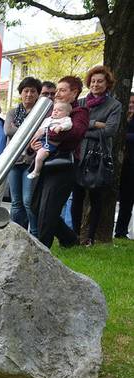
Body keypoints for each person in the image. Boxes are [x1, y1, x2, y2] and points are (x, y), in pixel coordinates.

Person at [30, 76, 89, 248]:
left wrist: (46, 134)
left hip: (63, 166)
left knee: (47, 211)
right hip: (45, 163)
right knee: (35, 207)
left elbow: (75, 133)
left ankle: (42, 250)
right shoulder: (53, 110)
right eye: (57, 91)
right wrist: (34, 145)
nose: (57, 94)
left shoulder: (80, 112)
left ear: (74, 92)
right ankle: (69, 238)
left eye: (63, 90)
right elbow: (36, 133)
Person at [71, 65, 123, 246]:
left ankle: (90, 238)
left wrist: (85, 126)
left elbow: (110, 130)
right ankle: (75, 235)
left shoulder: (114, 105)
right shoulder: (81, 102)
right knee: (76, 197)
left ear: (107, 83)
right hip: (79, 153)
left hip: (97, 157)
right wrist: (95, 123)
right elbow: (73, 127)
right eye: (93, 81)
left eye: (100, 81)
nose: (95, 84)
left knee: (95, 198)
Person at [4, 77, 41, 235]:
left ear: (38, 94)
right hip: (14, 162)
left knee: (28, 201)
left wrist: (18, 129)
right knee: (16, 202)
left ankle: (34, 234)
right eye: (26, 91)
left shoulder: (42, 113)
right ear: (21, 93)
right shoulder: (13, 112)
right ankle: (16, 233)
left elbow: (41, 131)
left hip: (31, 162)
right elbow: (8, 131)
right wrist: (30, 130)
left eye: (33, 91)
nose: (29, 94)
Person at [28, 102, 73, 179]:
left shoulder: (65, 119)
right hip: (41, 139)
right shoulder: (47, 119)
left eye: (59, 110)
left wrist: (61, 127)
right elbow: (40, 129)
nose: (55, 111)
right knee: (35, 149)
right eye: (54, 110)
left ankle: (36, 171)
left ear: (67, 113)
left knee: (39, 156)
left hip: (50, 143)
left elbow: (69, 125)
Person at [114, 93, 134, 238]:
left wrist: (122, 136)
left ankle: (121, 231)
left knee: (127, 199)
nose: (131, 105)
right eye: (130, 102)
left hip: (130, 165)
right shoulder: (118, 118)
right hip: (114, 162)